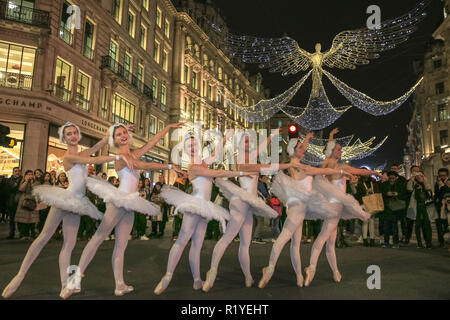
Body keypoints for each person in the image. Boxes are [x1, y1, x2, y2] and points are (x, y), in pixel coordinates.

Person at [1, 122, 129, 299]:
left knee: (69, 245)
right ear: (64, 138)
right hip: (66, 200)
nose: (73, 136)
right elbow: (92, 160)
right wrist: (115, 158)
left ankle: (65, 285)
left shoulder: (82, 152)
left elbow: (101, 143)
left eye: (75, 133)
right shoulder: (68, 157)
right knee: (43, 237)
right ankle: (19, 276)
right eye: (68, 134)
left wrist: (118, 130)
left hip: (77, 202)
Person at [60, 122, 184, 298]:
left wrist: (169, 127)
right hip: (119, 202)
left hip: (130, 203)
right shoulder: (120, 156)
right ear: (114, 140)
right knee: (98, 238)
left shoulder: (132, 153)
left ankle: (119, 284)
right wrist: (170, 167)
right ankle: (74, 282)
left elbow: (152, 143)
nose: (123, 135)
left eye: (124, 132)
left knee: (121, 245)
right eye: (118, 134)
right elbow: (146, 166)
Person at [154, 134, 256, 295]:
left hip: (206, 207)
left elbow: (215, 154)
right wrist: (240, 173)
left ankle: (197, 279)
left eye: (195, 144)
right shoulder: (193, 167)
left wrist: (223, 140)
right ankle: (167, 276)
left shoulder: (202, 162)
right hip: (195, 205)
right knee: (182, 240)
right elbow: (217, 173)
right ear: (186, 151)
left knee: (197, 244)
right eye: (189, 146)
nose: (193, 147)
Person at [258, 132, 353, 288]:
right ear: (293, 150)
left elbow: (322, 169)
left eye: (304, 148)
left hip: (298, 209)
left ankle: (299, 276)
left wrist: (307, 139)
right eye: (301, 148)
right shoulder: (297, 166)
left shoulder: (296, 164)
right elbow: (324, 171)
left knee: (294, 244)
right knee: (283, 239)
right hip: (297, 209)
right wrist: (342, 172)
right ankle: (270, 268)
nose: (304, 150)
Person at [203, 131, 287, 291]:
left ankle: (248, 276)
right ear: (240, 145)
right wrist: (286, 165)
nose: (249, 144)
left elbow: (263, 147)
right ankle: (212, 272)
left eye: (250, 142)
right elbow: (263, 166)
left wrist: (272, 136)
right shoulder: (241, 158)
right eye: (246, 142)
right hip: (241, 202)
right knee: (227, 238)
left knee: (245, 244)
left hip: (249, 206)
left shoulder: (251, 156)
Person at [303, 128, 380, 287]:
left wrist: (373, 173)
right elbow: (354, 170)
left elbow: (359, 171)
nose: (341, 151)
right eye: (338, 149)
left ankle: (335, 271)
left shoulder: (339, 166)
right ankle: (312, 267)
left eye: (340, 149)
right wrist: (375, 173)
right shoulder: (331, 165)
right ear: (332, 150)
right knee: (324, 237)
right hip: (334, 205)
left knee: (330, 240)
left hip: (334, 205)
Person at [407, 172, 435, 249]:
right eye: (417, 176)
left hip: (426, 208)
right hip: (417, 208)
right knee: (417, 226)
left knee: (427, 226)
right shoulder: (414, 185)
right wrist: (413, 179)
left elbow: (429, 190)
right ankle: (419, 243)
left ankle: (428, 243)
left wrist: (424, 181)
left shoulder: (426, 184)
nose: (419, 177)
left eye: (420, 176)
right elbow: (409, 188)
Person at [381, 171, 407, 248]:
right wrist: (386, 194)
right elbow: (381, 193)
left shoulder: (400, 185)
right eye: (390, 177)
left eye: (393, 178)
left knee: (395, 226)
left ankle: (395, 242)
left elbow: (403, 194)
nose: (391, 179)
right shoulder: (384, 184)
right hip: (387, 208)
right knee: (386, 226)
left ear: (396, 177)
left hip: (395, 209)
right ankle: (386, 242)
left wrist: (397, 194)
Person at [14, 170, 40, 240]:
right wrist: (26, 181)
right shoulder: (23, 182)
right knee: (23, 220)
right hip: (23, 202)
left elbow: (36, 191)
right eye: (28, 174)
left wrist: (31, 183)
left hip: (32, 202)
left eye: (31, 174)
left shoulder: (36, 182)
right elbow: (21, 189)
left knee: (32, 220)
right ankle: (23, 234)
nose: (30, 176)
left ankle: (32, 234)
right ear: (25, 175)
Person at [358, 175, 380, 247]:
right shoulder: (360, 183)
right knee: (365, 221)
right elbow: (358, 194)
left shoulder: (373, 182)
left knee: (371, 221)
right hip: (363, 203)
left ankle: (371, 239)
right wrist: (367, 192)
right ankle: (365, 239)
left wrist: (372, 191)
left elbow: (377, 192)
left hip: (372, 202)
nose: (366, 175)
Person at [5, 167, 22, 239]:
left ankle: (21, 233)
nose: (17, 172)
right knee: (11, 219)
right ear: (13, 172)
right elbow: (6, 190)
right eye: (16, 171)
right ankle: (11, 233)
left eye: (18, 171)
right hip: (11, 202)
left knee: (20, 219)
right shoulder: (9, 180)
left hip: (20, 201)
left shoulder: (23, 179)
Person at [170, 176, 190, 241]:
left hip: (186, 205)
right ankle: (176, 234)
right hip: (178, 204)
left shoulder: (188, 184)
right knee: (177, 220)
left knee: (185, 221)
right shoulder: (177, 183)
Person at [434, 168, 450, 247]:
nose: (441, 177)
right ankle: (441, 241)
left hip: (447, 208)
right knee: (439, 225)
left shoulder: (448, 182)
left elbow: (447, 192)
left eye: (443, 175)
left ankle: (447, 241)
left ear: (447, 175)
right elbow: (437, 195)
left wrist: (442, 186)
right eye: (440, 176)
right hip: (438, 207)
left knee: (447, 225)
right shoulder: (437, 183)